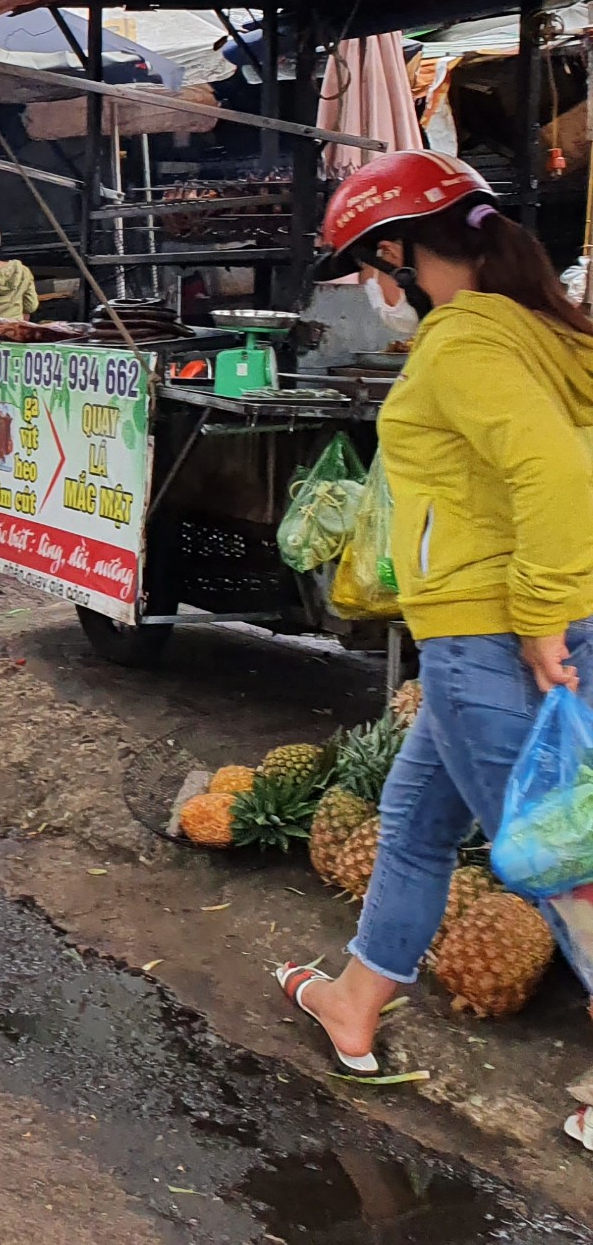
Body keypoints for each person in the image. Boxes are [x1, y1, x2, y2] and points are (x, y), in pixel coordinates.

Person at [273, 152, 593, 1118]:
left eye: (373, 267)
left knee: (562, 863)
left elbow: (556, 479)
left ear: (405, 254)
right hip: (519, 625)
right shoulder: (544, 333)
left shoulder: (465, 346)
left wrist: (539, 620)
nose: (375, 290)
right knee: (414, 822)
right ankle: (354, 1005)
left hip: (496, 636)